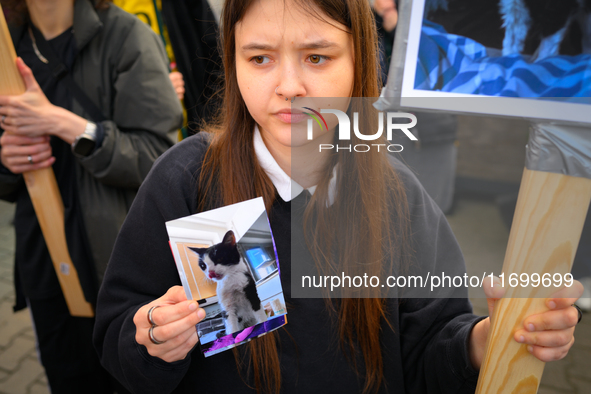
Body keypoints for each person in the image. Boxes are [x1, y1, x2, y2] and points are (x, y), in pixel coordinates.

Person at [93, 0, 583, 393]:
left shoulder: (397, 196)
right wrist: (153, 338)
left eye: (317, 57)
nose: (290, 86)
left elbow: (430, 349)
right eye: (259, 57)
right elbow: (119, 330)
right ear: (232, 60)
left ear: (360, 64)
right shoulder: (185, 180)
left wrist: (490, 341)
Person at [0, 0, 182, 392]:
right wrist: (7, 159)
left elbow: (158, 156)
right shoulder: (6, 51)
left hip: (114, 262)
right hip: (45, 260)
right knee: (67, 373)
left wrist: (66, 124)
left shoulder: (127, 36)